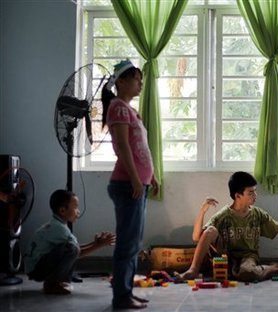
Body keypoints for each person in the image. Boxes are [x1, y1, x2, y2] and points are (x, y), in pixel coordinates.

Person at [176, 171, 278, 282]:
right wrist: (203, 210)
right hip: (226, 257)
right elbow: (197, 237)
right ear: (237, 196)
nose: (255, 196)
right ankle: (193, 270)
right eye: (250, 193)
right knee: (210, 230)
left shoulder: (258, 214)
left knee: (247, 273)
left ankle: (276, 268)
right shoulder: (224, 216)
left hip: (248, 257)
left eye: (255, 192)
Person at [102, 59, 159, 310]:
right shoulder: (118, 108)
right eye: (137, 79)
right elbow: (123, 147)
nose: (140, 84)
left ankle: (127, 292)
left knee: (133, 242)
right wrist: (137, 178)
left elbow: (140, 148)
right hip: (127, 184)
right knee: (127, 242)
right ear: (121, 81)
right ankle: (121, 297)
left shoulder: (130, 110)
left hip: (138, 184)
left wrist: (151, 175)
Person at [23, 189, 115, 295]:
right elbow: (76, 251)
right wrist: (99, 245)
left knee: (72, 248)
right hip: (37, 270)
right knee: (72, 249)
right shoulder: (58, 228)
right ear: (62, 211)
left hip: (37, 268)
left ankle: (56, 282)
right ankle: (51, 284)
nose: (78, 211)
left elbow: (75, 247)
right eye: (75, 207)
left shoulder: (58, 224)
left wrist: (95, 243)